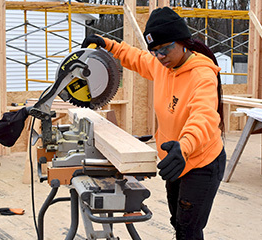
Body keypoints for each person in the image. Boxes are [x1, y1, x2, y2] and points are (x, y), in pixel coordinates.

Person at [82, 7, 226, 239]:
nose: (160, 57)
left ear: (182, 42)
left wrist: (185, 146)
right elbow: (137, 58)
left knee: (189, 230)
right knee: (178, 222)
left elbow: (204, 117)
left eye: (165, 49)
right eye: (155, 52)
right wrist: (107, 44)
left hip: (200, 162)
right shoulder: (162, 65)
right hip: (175, 158)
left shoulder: (202, 75)